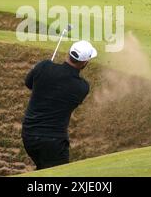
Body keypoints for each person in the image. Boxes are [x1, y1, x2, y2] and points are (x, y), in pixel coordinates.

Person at [22, 40, 97, 170]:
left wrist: (43, 72)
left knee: (42, 168)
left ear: (68, 53)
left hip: (29, 136)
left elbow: (29, 84)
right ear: (85, 62)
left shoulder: (44, 66)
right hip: (53, 142)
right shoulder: (82, 87)